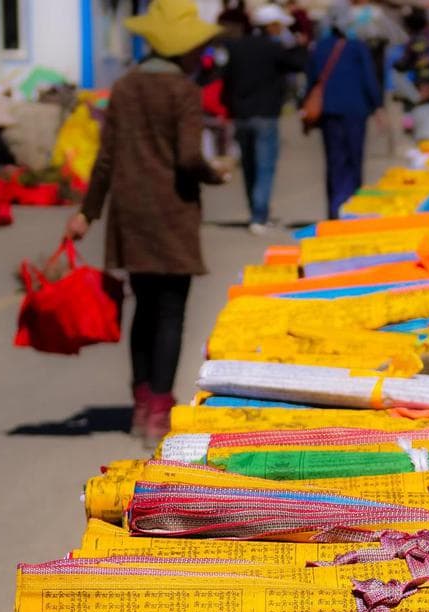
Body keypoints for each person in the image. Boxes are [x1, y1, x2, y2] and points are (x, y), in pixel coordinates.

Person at [66, 0, 228, 444]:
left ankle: (140, 405)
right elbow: (190, 157)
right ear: (183, 48)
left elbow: (105, 160)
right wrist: (217, 174)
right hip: (172, 214)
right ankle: (160, 409)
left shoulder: (125, 87)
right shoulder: (183, 92)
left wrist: (88, 212)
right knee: (171, 313)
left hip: (131, 214)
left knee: (144, 308)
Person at [223, 3, 307, 233]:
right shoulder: (273, 48)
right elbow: (298, 64)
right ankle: (259, 215)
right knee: (265, 166)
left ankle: (255, 212)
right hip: (266, 115)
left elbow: (226, 81)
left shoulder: (236, 48)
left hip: (241, 115)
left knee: (249, 166)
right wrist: (299, 45)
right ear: (271, 26)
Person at [307, 3, 382, 219]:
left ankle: (334, 209)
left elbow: (312, 80)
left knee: (334, 161)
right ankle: (352, 207)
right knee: (353, 160)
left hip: (329, 111)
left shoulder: (319, 47)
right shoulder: (357, 47)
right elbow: (369, 79)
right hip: (355, 111)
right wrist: (377, 105)